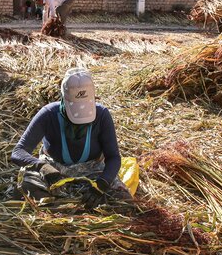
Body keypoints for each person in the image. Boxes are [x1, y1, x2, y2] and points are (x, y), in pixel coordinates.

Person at [11, 68, 132, 209]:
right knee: (24, 191)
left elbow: (113, 157)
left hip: (92, 170)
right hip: (54, 169)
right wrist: (42, 167)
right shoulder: (49, 114)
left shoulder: (102, 115)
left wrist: (102, 183)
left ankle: (69, 205)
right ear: (64, 100)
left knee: (125, 202)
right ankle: (57, 208)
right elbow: (18, 151)